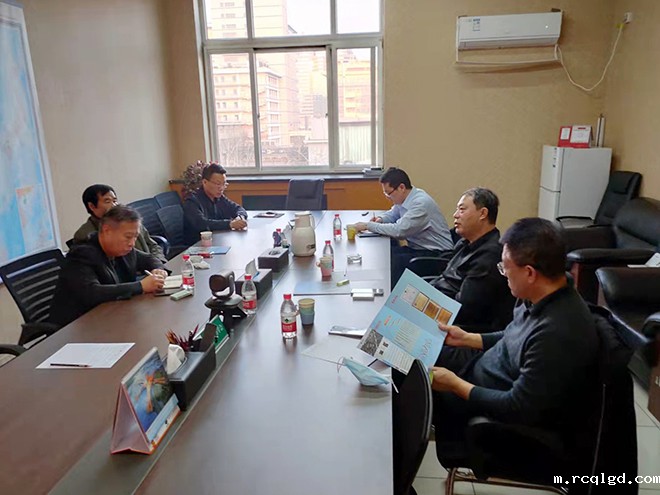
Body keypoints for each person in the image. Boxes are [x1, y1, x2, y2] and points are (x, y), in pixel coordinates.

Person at [430, 218, 598, 463]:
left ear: (529, 273)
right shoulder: (536, 294)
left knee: (407, 383)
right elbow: (513, 335)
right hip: (481, 370)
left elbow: (518, 406)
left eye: (505, 267)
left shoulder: (557, 334)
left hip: (493, 412)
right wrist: (468, 338)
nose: (503, 273)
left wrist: (455, 385)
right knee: (407, 357)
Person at [49, 206, 167, 327]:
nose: (132, 243)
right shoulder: (81, 255)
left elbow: (149, 259)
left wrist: (158, 270)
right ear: (107, 231)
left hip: (113, 315)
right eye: (128, 236)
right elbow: (92, 292)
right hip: (78, 326)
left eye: (135, 236)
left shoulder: (123, 249)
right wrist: (141, 286)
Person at [431, 188, 513, 330]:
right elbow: (445, 278)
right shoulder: (465, 242)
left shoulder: (490, 256)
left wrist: (426, 305)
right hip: (436, 306)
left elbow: (464, 310)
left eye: (462, 210)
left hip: (456, 327)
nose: (455, 215)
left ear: (483, 214)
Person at [353, 167, 453, 285]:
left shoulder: (420, 203)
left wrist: (368, 225)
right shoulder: (406, 198)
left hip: (437, 255)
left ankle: (390, 294)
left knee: (393, 262)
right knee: (387, 253)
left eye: (388, 193)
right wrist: (381, 219)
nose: (387, 197)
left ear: (401, 187)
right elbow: (393, 214)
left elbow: (399, 231)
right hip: (419, 248)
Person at [73, 184, 166, 263]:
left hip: (150, 268)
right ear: (92, 206)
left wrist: (159, 263)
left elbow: (153, 245)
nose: (114, 205)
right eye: (107, 201)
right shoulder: (84, 234)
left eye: (115, 201)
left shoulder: (130, 221)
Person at [183, 163, 248, 245]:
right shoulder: (192, 201)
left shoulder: (219, 198)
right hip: (197, 246)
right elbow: (202, 224)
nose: (221, 188)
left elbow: (238, 208)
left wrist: (240, 217)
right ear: (204, 182)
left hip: (216, 242)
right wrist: (230, 224)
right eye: (218, 184)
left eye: (224, 184)